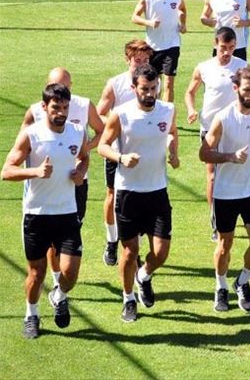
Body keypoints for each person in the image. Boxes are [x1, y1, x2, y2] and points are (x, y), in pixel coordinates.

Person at [2, 84, 89, 339]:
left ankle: (58, 295)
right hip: (36, 215)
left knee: (70, 272)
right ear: (44, 107)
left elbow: (85, 157)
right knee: (37, 273)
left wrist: (80, 172)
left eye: (65, 107)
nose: (61, 113)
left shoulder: (77, 132)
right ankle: (31, 314)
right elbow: (6, 171)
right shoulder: (32, 135)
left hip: (67, 213)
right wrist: (36, 172)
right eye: (55, 107)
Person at [98, 64, 180, 322]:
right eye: (145, 89)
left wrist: (174, 153)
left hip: (157, 192)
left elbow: (172, 132)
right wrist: (121, 158)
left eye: (154, 88)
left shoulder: (167, 110)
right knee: (129, 252)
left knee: (161, 252)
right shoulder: (121, 114)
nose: (150, 93)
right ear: (134, 87)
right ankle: (128, 299)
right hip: (128, 193)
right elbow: (102, 146)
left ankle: (143, 276)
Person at [199, 68, 250, 313]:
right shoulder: (223, 118)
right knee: (225, 244)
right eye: (247, 90)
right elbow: (204, 153)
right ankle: (220, 286)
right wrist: (230, 156)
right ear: (236, 89)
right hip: (226, 192)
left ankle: (242, 281)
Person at [20, 67, 104, 289]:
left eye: (65, 87)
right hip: (41, 192)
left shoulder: (83, 106)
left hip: (75, 185)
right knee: (47, 249)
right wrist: (35, 170)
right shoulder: (35, 111)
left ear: (71, 87)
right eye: (55, 87)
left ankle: (61, 285)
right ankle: (56, 279)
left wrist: (82, 153)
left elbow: (100, 132)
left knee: (68, 242)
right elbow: (22, 146)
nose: (61, 92)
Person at [97, 39, 154, 267]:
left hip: (143, 151)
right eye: (138, 60)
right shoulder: (116, 83)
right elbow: (99, 114)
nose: (142, 64)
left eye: (146, 60)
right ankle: (111, 241)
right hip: (117, 151)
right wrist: (118, 125)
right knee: (113, 195)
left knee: (141, 199)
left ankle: (135, 249)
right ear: (127, 59)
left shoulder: (152, 82)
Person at [185, 27, 247, 221]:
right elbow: (190, 92)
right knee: (212, 174)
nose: (227, 52)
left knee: (236, 170)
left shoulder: (242, 67)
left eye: (231, 47)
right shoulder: (204, 67)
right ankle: (215, 218)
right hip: (209, 127)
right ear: (215, 44)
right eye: (223, 47)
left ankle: (235, 211)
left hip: (234, 127)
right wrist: (191, 109)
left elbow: (248, 94)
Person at [131, 0, 187, 102]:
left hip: (172, 44)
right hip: (152, 46)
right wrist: (149, 22)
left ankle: (167, 113)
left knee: (168, 83)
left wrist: (183, 24)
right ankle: (154, 109)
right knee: (154, 82)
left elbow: (182, 9)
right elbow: (134, 17)